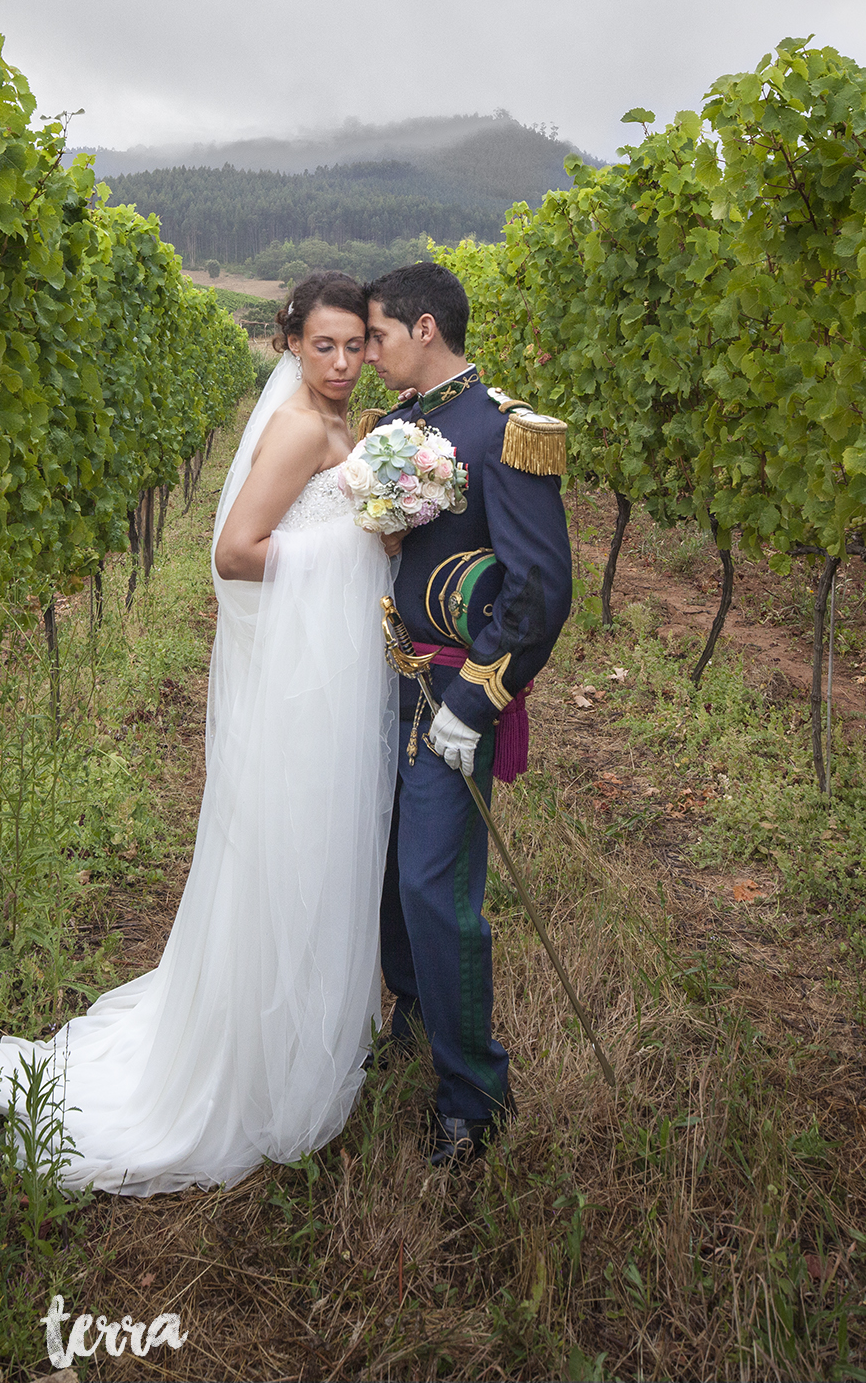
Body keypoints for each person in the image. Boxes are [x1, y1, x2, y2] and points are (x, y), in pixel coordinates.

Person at [0, 271, 398, 1194]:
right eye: (325, 345)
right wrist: (356, 538)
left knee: (322, 847)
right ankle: (259, 1064)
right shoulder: (296, 428)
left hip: (335, 664)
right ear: (289, 346)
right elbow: (234, 554)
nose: (345, 362)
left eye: (357, 344)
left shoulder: (342, 427)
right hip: (302, 681)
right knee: (293, 847)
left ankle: (300, 1039)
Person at [361, 262, 572, 1167]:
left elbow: (539, 591)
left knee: (433, 891)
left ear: (421, 328)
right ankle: (413, 1018)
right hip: (384, 678)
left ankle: (473, 1095)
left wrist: (474, 701)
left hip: (452, 693)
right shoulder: (400, 429)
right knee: (380, 875)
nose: (368, 352)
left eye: (375, 335)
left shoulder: (504, 432)